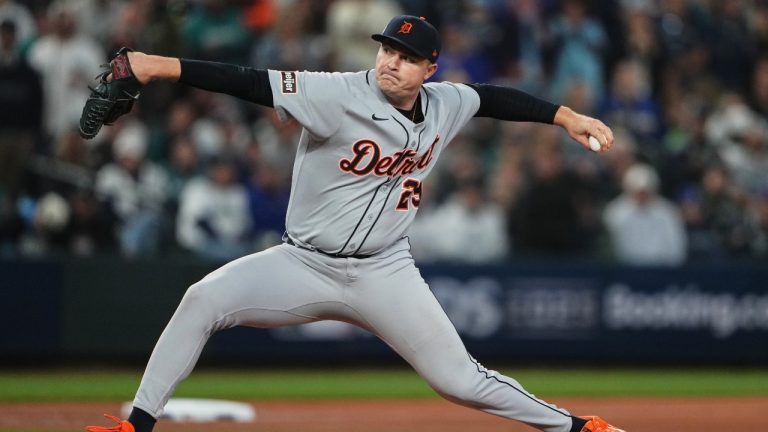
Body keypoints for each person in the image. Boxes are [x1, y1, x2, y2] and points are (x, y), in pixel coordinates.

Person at [85, 15, 621, 432]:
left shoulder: (446, 103)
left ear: (429, 69)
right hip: (302, 263)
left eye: (408, 58)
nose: (391, 62)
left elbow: (496, 98)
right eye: (388, 49)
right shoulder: (337, 92)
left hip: (386, 271)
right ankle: (137, 424)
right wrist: (155, 65)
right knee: (202, 299)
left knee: (460, 381)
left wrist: (567, 117)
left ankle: (575, 425)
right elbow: (247, 82)